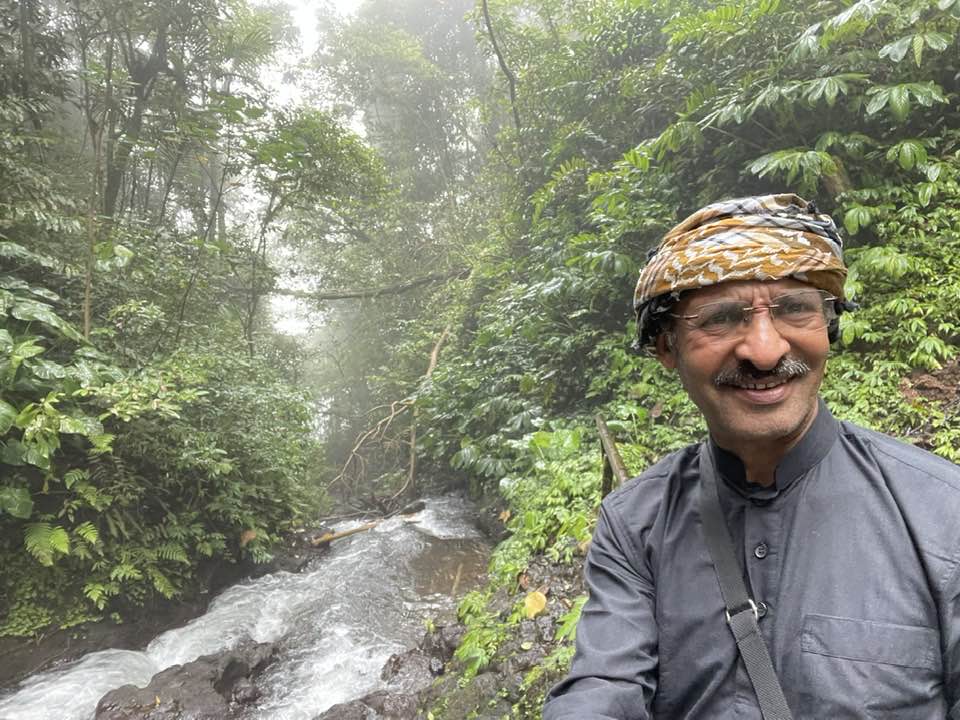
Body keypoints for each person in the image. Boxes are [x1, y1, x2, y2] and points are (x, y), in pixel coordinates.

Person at [542, 194, 960, 719]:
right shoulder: (635, 526)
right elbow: (604, 688)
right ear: (667, 347)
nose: (765, 351)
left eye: (794, 309)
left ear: (827, 325)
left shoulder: (944, 515)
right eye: (720, 318)